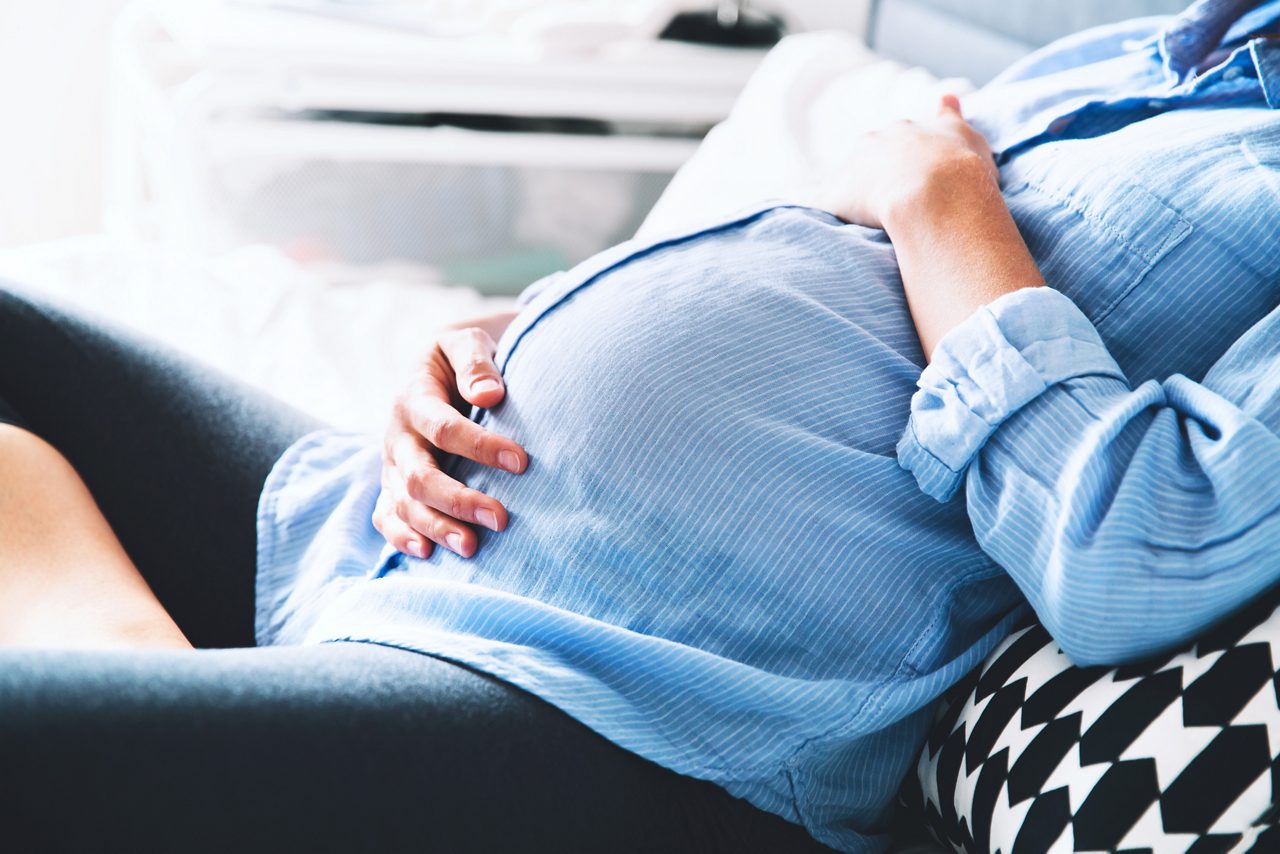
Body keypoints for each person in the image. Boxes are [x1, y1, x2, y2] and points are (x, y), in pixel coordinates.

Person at [0, 2, 1276, 852]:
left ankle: (154, 688)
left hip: (618, 688)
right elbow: (815, 272)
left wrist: (941, 201)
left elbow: (1136, 548)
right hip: (411, 512)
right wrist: (496, 337)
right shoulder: (1164, 43)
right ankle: (157, 667)